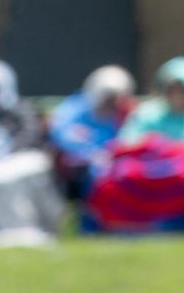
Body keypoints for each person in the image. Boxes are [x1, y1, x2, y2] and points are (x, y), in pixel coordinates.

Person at [48, 65, 135, 196]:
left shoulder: (126, 113)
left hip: (118, 169)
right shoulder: (72, 109)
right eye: (108, 97)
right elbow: (63, 137)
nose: (111, 103)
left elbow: (132, 139)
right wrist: (93, 155)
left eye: (115, 98)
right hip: (79, 175)